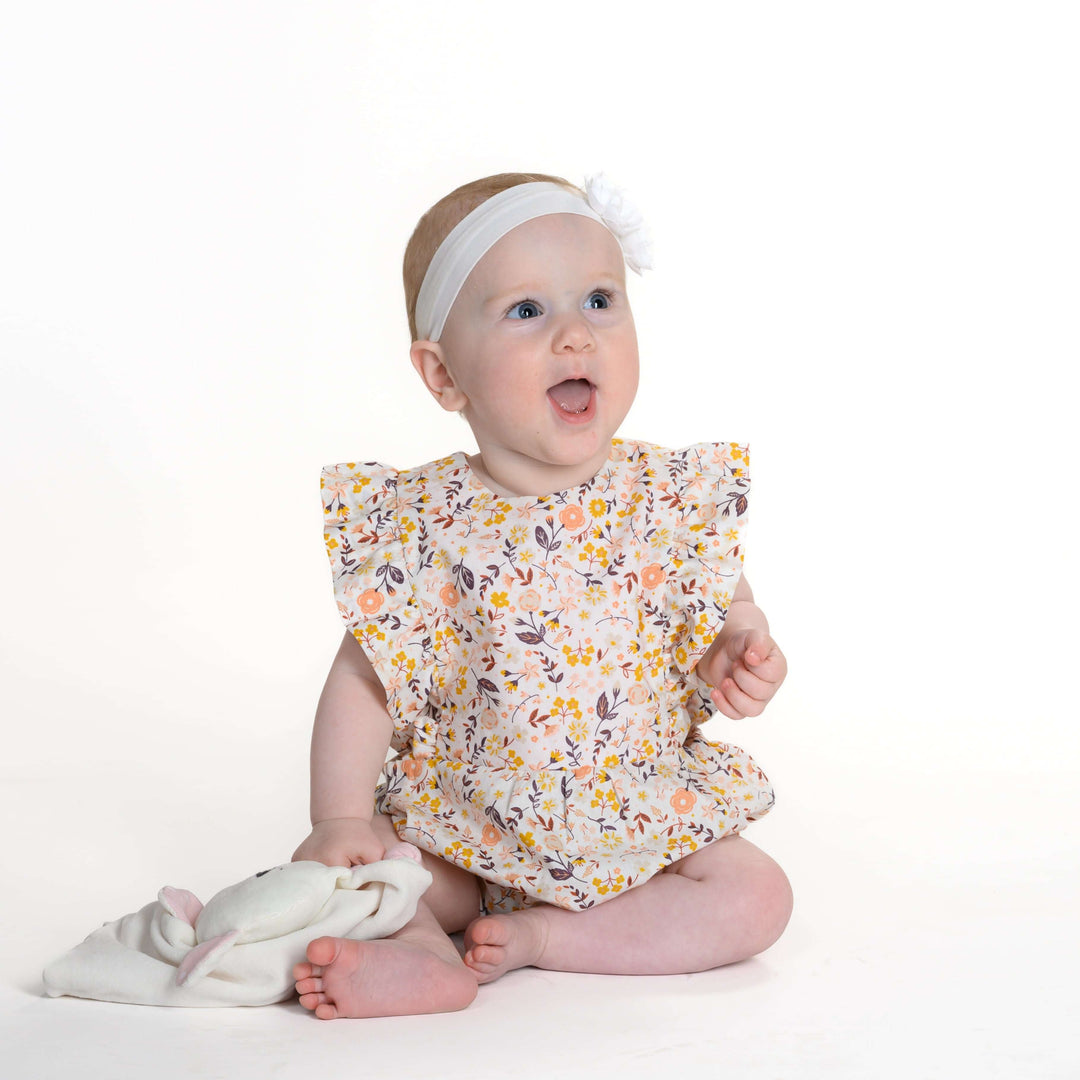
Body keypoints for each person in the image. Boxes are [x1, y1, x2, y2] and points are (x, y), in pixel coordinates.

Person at [290, 173, 792, 1019]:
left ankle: (548, 940)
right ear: (444, 375)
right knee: (368, 872)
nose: (575, 334)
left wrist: (737, 647)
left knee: (757, 897)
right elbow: (364, 679)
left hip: (639, 830)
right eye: (527, 311)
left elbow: (724, 605)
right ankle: (422, 956)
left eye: (599, 300)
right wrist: (338, 819)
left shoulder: (666, 500)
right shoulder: (425, 526)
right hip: (461, 833)